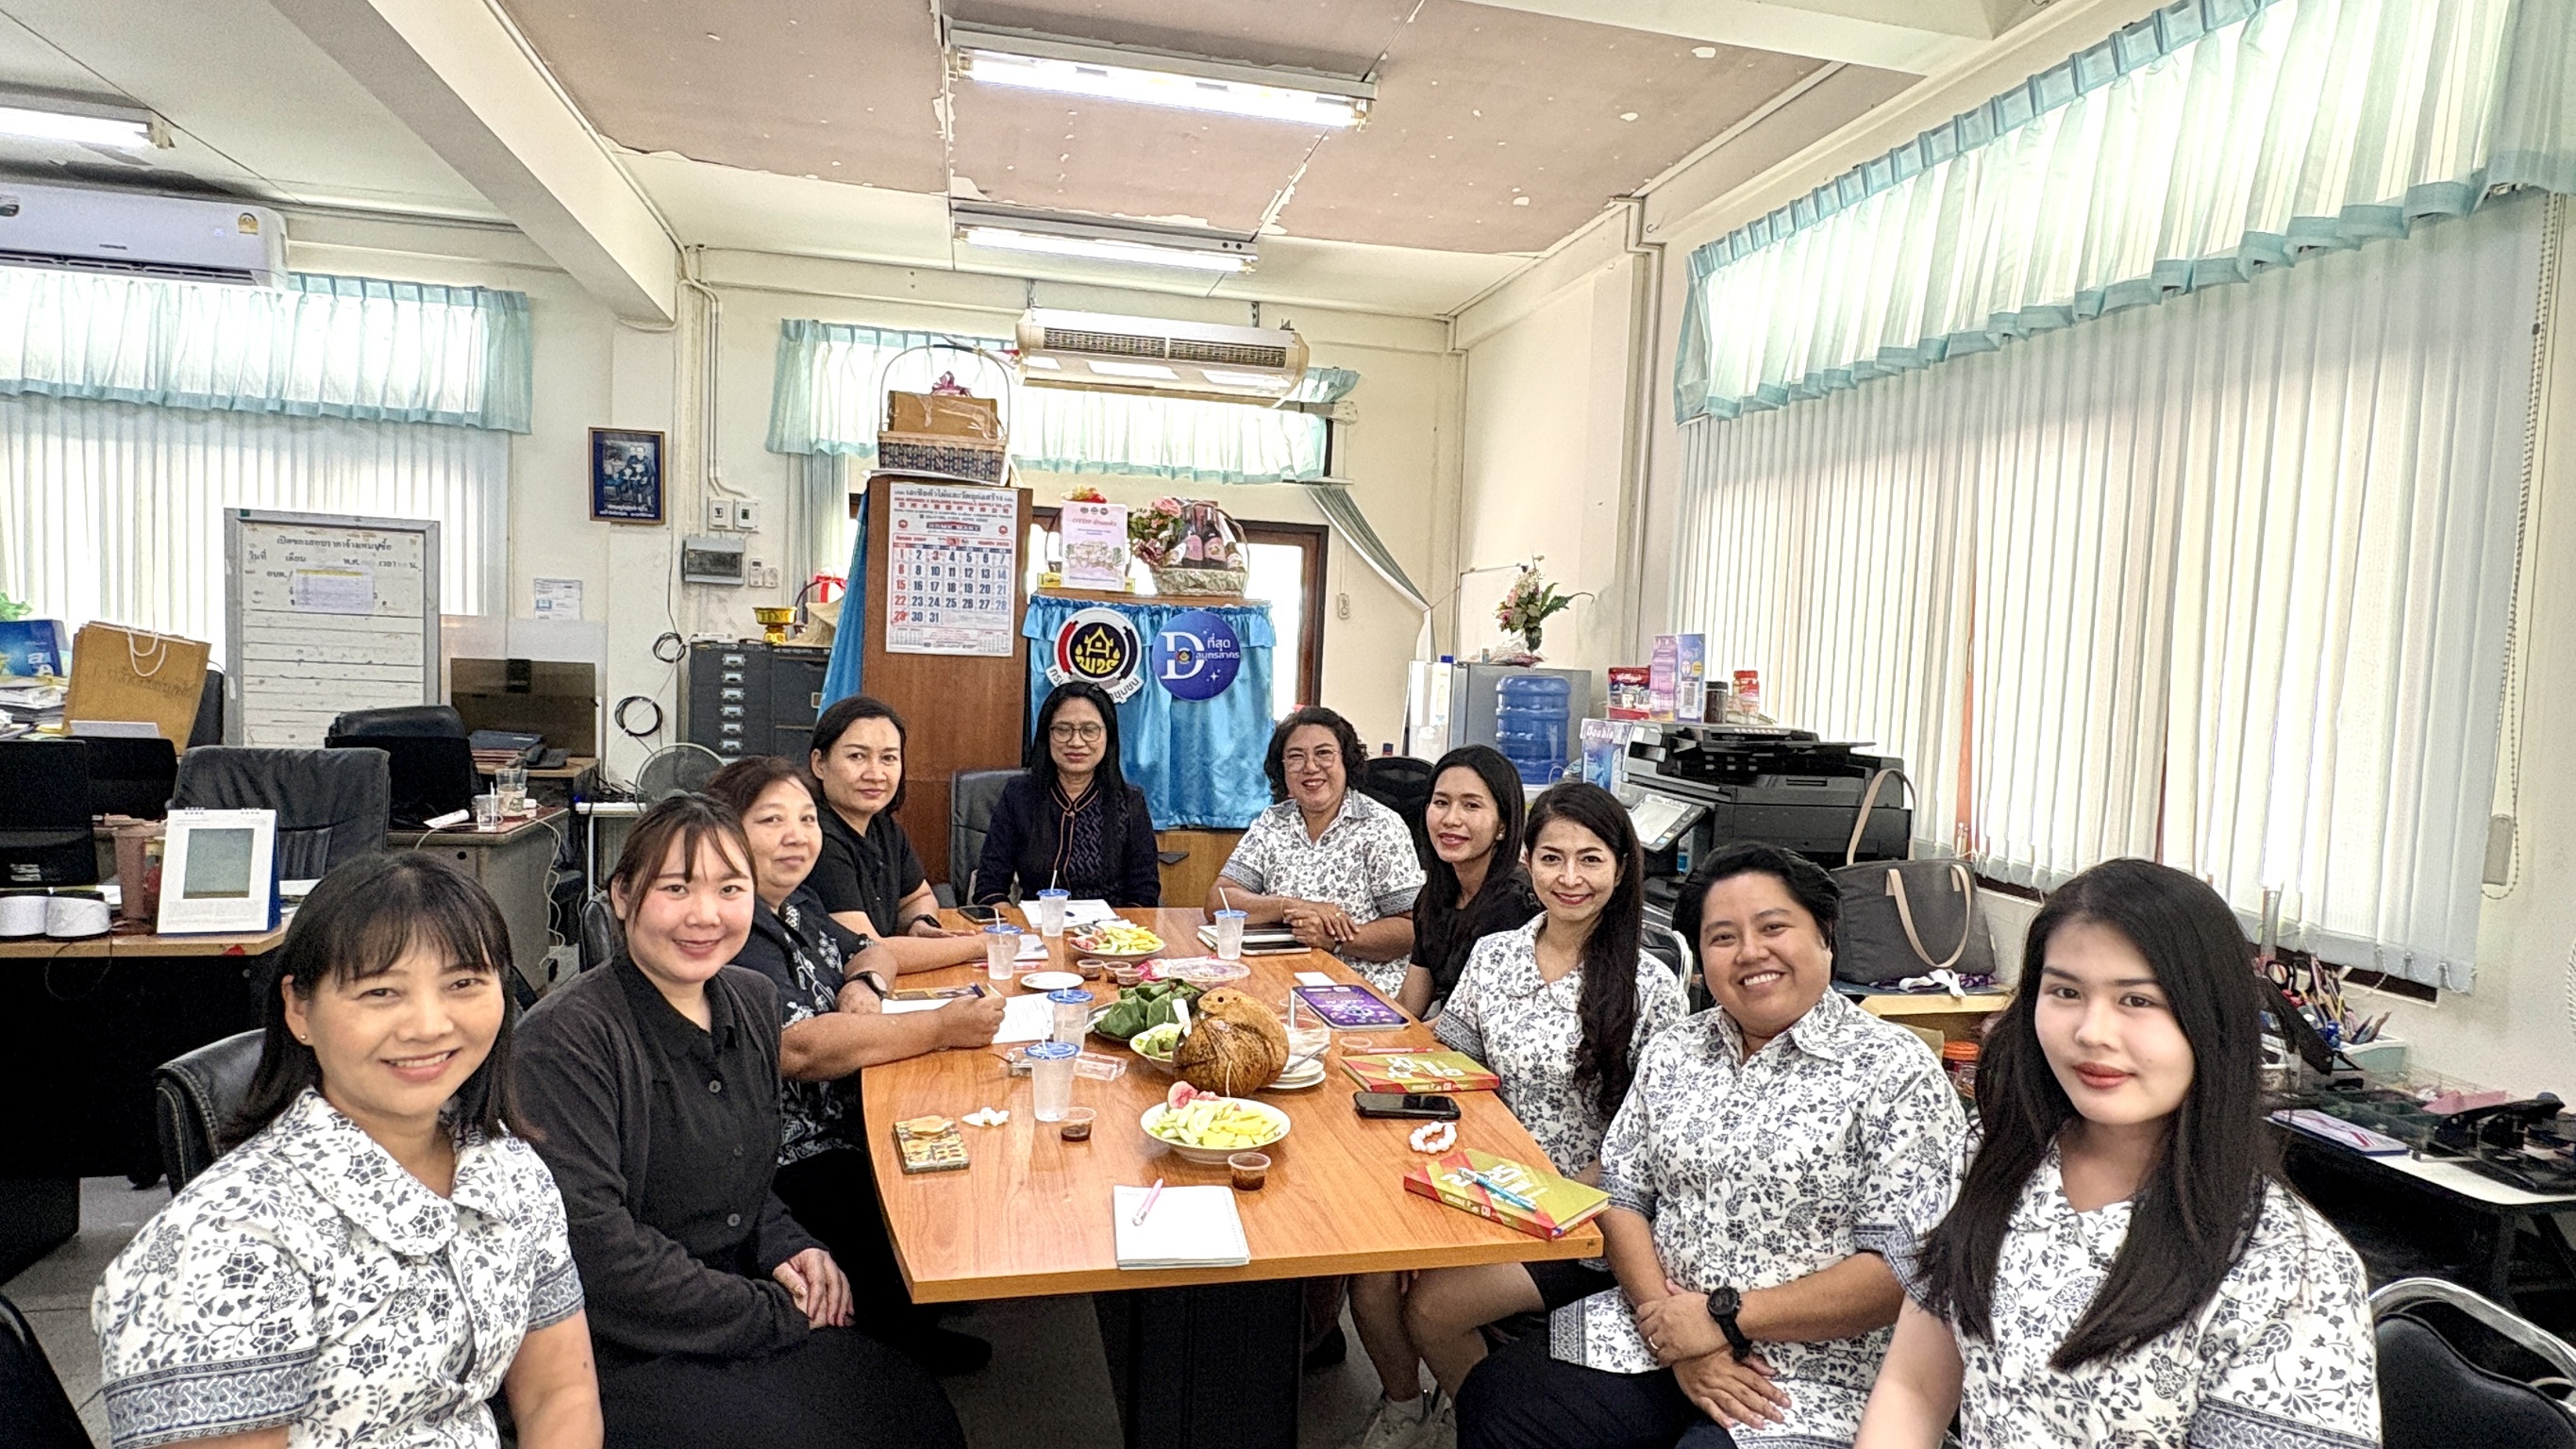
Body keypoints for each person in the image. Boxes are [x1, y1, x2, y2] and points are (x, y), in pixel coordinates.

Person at [1457, 842, 1965, 1449]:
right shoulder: (1677, 1051)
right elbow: (1622, 1199)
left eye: (1774, 927)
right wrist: (1669, 1330)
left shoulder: (1895, 1070)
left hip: (1805, 1375)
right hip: (1650, 1334)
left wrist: (1721, 1318)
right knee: (1501, 1399)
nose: (1751, 952)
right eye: (1723, 938)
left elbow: (1899, 1272)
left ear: (1825, 936)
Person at [1854, 859, 2377, 1449]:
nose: (2092, 1032)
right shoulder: (1987, 1163)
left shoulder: (2291, 1266)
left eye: (2137, 1001)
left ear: (2213, 1019)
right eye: (2066, 992)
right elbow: (1914, 1391)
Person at [92, 853, 600, 1449]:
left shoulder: (505, 1168)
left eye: (462, 983)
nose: (429, 1025)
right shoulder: (224, 1241)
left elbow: (557, 1392)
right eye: (381, 991)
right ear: (300, 1009)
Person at [513, 795, 964, 1449]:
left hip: (730, 1295)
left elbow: (752, 1168)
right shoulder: (565, 1043)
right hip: (616, 1343)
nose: (705, 914)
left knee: (912, 1405)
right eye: (675, 888)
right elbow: (599, 1255)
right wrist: (769, 1312)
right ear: (621, 895)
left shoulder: (749, 1002)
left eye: (730, 888)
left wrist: (790, 1244)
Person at [1348, 781, 1690, 1449]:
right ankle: (1418, 1409)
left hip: (1582, 1212)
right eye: (1552, 857)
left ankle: (1488, 1425)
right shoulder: (1496, 955)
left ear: (1621, 870)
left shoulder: (1650, 986)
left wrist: (1557, 1198)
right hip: (1481, 1178)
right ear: (1527, 862)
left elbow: (1644, 1138)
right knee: (1370, 1273)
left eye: (1591, 860)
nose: (1570, 878)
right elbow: (1457, 1069)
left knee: (1434, 1307)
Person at [703, 756, 1002, 1374]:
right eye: (772, 820)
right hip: (787, 1146)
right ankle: (891, 1346)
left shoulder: (794, 904)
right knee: (926, 1163)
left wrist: (864, 979)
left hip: (849, 1102)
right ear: (725, 831)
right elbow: (800, 1048)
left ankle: (915, 1310)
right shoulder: (733, 923)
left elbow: (873, 949)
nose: (797, 835)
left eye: (807, 819)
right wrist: (942, 1028)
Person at [1209, 705, 1425, 996]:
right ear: (1282, 768)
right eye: (1296, 757)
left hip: (1358, 991)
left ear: (1346, 762)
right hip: (1278, 979)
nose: (1310, 767)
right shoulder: (1273, 822)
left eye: (1324, 753)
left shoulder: (1381, 827)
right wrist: (1290, 906)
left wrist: (1334, 939)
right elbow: (1218, 901)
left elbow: (1412, 929)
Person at [804, 694, 984, 973]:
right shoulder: (814, 838)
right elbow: (870, 950)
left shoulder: (882, 826)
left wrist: (920, 923)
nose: (875, 773)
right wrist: (983, 945)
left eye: (888, 758)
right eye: (857, 756)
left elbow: (918, 897)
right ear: (819, 763)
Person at [973, 680, 1161, 906]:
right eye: (1063, 729)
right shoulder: (1019, 796)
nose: (1076, 742)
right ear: (1047, 735)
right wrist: (1013, 928)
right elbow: (989, 886)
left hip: (1110, 934)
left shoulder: (1129, 802)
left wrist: (1114, 937)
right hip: (1038, 929)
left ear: (1108, 735)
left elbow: (1144, 893)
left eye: (1089, 730)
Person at [1397, 744, 1542, 1019]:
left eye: (1471, 805)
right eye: (1441, 803)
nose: (1451, 819)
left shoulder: (1517, 902)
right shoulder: (1436, 895)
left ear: (1503, 825)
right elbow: (1409, 1003)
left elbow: (1468, 1024)